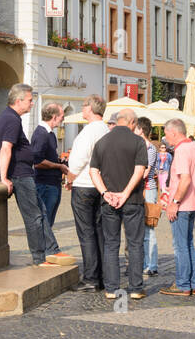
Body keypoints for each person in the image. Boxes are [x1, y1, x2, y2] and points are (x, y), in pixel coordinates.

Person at [89, 108, 149, 301]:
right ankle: (135, 288)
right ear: (132, 123)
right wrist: (126, 193)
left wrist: (105, 193)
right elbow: (140, 171)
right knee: (135, 243)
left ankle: (112, 288)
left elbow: (93, 172)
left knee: (111, 244)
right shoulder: (138, 142)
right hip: (132, 200)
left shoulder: (102, 142)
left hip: (109, 201)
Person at [0, 83, 51, 266]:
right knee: (34, 217)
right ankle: (39, 258)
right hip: (20, 175)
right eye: (30, 100)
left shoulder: (6, 117)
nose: (32, 104)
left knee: (40, 213)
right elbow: (5, 148)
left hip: (19, 173)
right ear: (19, 100)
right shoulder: (12, 119)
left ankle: (49, 251)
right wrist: (4, 177)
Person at [65, 95, 111, 293]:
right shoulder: (106, 130)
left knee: (86, 232)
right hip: (101, 186)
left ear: (91, 109)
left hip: (84, 184)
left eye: (84, 106)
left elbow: (77, 160)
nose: (82, 109)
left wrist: (70, 178)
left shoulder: (88, 132)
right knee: (99, 231)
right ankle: (101, 275)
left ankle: (91, 278)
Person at [160, 118, 195, 297]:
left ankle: (183, 285)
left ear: (174, 133)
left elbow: (185, 179)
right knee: (188, 243)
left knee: (180, 246)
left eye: (166, 134)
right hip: (194, 203)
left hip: (183, 205)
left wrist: (175, 202)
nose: (165, 138)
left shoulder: (181, 150)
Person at [30, 101, 72, 263]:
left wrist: (59, 161)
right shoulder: (41, 134)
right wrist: (58, 165)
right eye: (61, 116)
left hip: (52, 182)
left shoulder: (50, 134)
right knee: (44, 219)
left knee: (49, 220)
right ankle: (47, 252)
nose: (62, 119)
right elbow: (37, 161)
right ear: (54, 117)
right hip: (45, 183)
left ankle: (45, 253)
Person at [133, 116, 160, 277]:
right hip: (139, 190)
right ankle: (143, 262)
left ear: (141, 130)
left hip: (148, 189)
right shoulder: (138, 146)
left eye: (135, 128)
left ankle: (151, 264)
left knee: (149, 228)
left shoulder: (150, 148)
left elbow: (145, 172)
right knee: (139, 229)